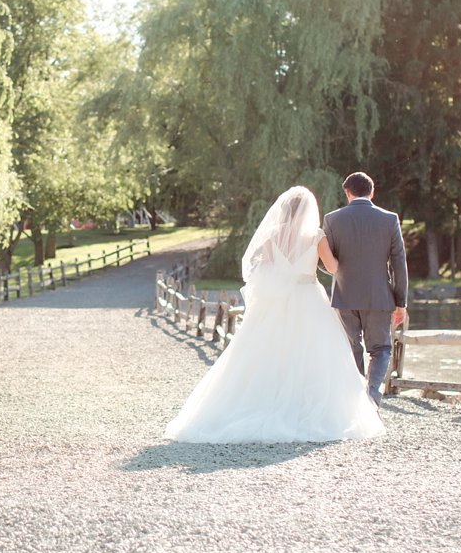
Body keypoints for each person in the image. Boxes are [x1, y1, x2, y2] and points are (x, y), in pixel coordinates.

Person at [165, 186, 384, 443]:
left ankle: (263, 401)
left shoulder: (272, 236)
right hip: (308, 298)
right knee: (312, 353)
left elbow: (265, 270)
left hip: (277, 301)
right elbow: (334, 267)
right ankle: (304, 406)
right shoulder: (316, 236)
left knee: (270, 352)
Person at [321, 172, 408, 406]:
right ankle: (372, 394)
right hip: (379, 297)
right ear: (372, 191)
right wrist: (401, 302)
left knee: (352, 348)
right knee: (380, 349)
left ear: (347, 193)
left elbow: (325, 260)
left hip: (344, 296)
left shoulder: (332, 219)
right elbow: (399, 262)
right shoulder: (389, 219)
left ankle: (355, 401)